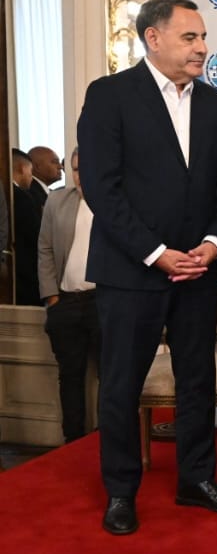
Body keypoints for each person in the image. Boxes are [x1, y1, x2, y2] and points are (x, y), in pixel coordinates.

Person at [78, 0, 217, 535]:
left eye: (203, 37)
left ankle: (196, 480)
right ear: (153, 38)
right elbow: (102, 189)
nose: (202, 47)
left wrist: (214, 242)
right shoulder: (109, 96)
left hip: (198, 268)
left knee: (197, 379)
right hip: (131, 271)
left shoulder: (215, 104)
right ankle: (120, 492)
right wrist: (155, 253)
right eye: (190, 37)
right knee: (122, 384)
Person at [37, 147, 101, 444]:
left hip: (103, 302)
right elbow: (45, 249)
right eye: (75, 169)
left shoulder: (116, 202)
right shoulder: (56, 200)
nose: (80, 176)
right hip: (65, 302)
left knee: (110, 375)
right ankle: (72, 441)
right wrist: (52, 298)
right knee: (70, 375)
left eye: (86, 168)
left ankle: (107, 440)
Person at [12, 148, 43, 305]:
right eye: (31, 172)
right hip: (24, 273)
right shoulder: (22, 197)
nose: (31, 178)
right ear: (22, 168)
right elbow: (35, 235)